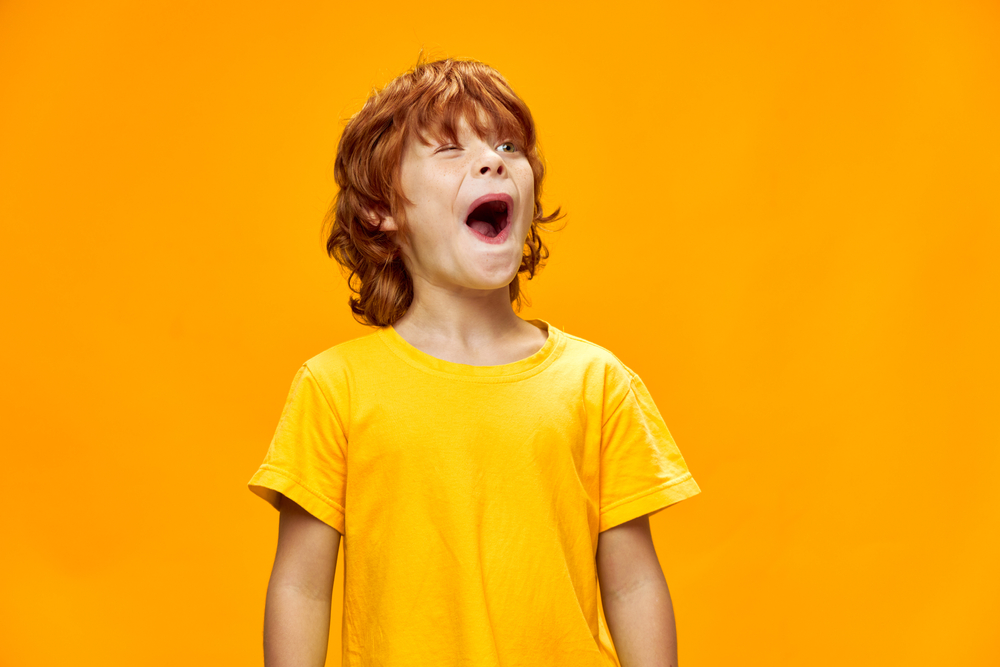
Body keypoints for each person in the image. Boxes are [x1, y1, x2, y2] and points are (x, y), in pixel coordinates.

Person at [248, 56, 701, 667]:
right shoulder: (334, 388)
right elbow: (301, 588)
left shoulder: (597, 383)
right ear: (382, 209)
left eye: (509, 146)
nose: (493, 161)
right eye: (450, 149)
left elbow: (633, 583)